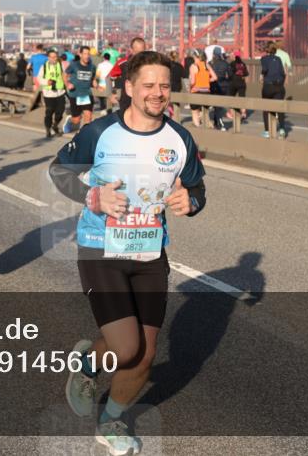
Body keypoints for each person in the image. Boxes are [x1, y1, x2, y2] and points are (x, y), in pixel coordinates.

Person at [49, 50, 206, 455]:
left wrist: (191, 202)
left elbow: (196, 189)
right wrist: (92, 196)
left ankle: (112, 420)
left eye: (165, 85)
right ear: (130, 88)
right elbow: (58, 170)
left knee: (146, 354)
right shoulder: (99, 132)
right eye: (149, 85)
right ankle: (89, 362)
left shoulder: (180, 139)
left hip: (150, 253)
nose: (158, 93)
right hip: (101, 249)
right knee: (124, 348)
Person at [108, 37, 147, 113]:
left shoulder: (149, 64)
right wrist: (112, 94)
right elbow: (111, 77)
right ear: (132, 50)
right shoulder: (123, 63)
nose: (140, 55)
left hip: (143, 99)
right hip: (126, 100)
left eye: (142, 52)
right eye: (137, 52)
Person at [65, 46, 97, 132]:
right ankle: (70, 120)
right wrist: (67, 84)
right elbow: (65, 74)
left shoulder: (92, 66)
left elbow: (93, 78)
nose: (87, 56)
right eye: (85, 54)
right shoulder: (74, 65)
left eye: (88, 54)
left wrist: (95, 83)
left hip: (87, 94)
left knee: (88, 116)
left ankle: (84, 134)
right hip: (75, 94)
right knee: (76, 119)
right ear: (80, 54)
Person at [260, 42, 287, 138]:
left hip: (268, 86)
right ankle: (282, 129)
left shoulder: (263, 59)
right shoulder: (279, 59)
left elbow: (265, 70)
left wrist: (262, 75)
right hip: (278, 86)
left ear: (267, 49)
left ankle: (267, 131)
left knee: (266, 108)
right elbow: (283, 73)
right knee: (279, 107)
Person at [40, 48, 68, 138]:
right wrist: (46, 82)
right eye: (51, 57)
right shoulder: (44, 67)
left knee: (60, 111)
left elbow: (64, 75)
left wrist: (67, 85)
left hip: (60, 92)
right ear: (48, 57)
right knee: (49, 112)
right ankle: (48, 129)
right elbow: (39, 78)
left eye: (55, 57)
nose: (53, 59)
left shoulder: (60, 65)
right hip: (48, 93)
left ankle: (55, 125)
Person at [187, 49, 214, 128]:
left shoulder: (193, 66)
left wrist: (189, 87)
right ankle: (208, 127)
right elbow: (215, 77)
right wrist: (206, 80)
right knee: (205, 111)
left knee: (195, 111)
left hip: (196, 91)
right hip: (206, 91)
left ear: (194, 56)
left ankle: (197, 126)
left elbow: (192, 82)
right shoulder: (206, 65)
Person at [208, 47, 233, 131]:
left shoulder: (210, 63)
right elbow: (230, 75)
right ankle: (217, 123)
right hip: (224, 86)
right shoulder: (225, 63)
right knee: (218, 106)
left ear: (213, 54)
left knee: (216, 106)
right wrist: (226, 81)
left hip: (213, 86)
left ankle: (220, 123)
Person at [230, 53, 250, 121]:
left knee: (230, 97)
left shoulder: (232, 63)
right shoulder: (243, 64)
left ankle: (233, 112)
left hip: (234, 82)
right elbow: (246, 74)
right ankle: (243, 113)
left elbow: (230, 73)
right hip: (242, 82)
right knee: (242, 97)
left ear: (234, 57)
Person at [167, 50, 185, 119]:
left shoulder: (167, 66)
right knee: (176, 105)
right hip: (177, 87)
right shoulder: (180, 66)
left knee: (169, 104)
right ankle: (176, 119)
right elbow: (183, 75)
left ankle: (171, 116)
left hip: (168, 86)